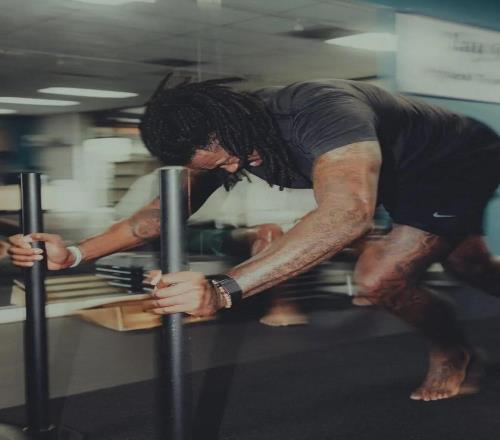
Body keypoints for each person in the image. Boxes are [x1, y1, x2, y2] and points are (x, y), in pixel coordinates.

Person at [8, 77, 500, 402]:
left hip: (454, 164)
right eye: (216, 167)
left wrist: (224, 289)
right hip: (400, 172)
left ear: (233, 124)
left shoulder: (317, 111)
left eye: (229, 158)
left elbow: (347, 215)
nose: (230, 170)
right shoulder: (218, 143)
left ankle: (452, 351)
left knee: (378, 279)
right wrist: (76, 253)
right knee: (469, 265)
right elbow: (156, 216)